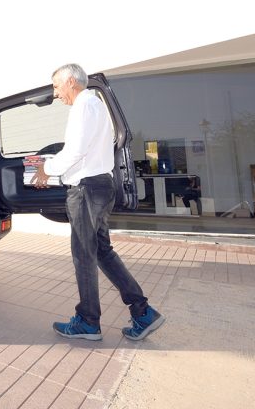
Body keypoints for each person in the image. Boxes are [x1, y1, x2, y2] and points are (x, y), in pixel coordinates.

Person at [32, 63, 165, 341]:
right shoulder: (95, 105)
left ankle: (88, 321)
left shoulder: (83, 106)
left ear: (71, 82)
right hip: (101, 186)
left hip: (87, 190)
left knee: (84, 254)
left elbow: (76, 151)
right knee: (102, 252)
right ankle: (143, 312)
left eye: (56, 86)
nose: (56, 93)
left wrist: (47, 169)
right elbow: (83, 151)